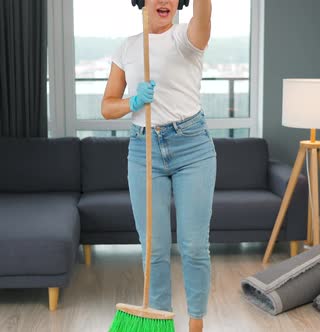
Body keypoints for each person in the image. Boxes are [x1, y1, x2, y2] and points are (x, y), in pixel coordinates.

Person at [101, 1, 214, 331]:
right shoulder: (128, 48)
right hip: (143, 149)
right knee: (154, 248)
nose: (163, 1)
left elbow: (203, 16)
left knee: (193, 245)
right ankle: (161, 323)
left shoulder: (185, 36)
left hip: (191, 146)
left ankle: (195, 322)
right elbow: (107, 106)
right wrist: (133, 102)